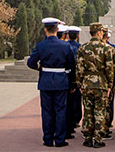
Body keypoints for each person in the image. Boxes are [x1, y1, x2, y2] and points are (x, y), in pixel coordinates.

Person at [27, 17, 76, 148]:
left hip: (46, 81)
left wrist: (40, 67)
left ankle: (48, 139)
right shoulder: (65, 46)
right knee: (60, 111)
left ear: (45, 30)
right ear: (57, 29)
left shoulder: (41, 46)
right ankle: (60, 140)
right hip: (61, 80)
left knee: (47, 111)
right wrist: (72, 83)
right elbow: (72, 65)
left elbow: (30, 63)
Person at [76, 22, 115, 148]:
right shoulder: (107, 49)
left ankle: (87, 138)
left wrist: (79, 83)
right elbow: (110, 69)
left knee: (88, 111)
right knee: (100, 111)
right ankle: (98, 138)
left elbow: (79, 68)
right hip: (101, 84)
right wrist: (110, 85)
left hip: (87, 83)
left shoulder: (83, 48)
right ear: (99, 32)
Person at [66, 26, 83, 140]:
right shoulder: (81, 48)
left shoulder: (65, 46)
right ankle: (75, 120)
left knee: (66, 103)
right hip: (76, 78)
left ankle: (69, 124)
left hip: (65, 77)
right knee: (76, 101)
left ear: (67, 36)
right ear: (78, 36)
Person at [104, 29, 115, 136]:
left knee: (90, 109)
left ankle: (89, 135)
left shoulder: (85, 47)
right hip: (104, 82)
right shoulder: (111, 49)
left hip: (89, 83)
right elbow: (114, 67)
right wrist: (113, 83)